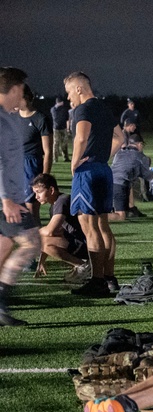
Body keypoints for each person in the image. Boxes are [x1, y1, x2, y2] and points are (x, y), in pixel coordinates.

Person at [64, 71, 124, 297]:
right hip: (103, 169)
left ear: (79, 89)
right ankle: (109, 277)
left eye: (70, 92)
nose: (69, 98)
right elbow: (120, 138)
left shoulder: (83, 108)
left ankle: (97, 280)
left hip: (87, 173)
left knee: (89, 226)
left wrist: (75, 163)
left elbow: (81, 137)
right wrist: (102, 156)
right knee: (102, 226)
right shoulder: (105, 108)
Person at [0, 67, 41, 326]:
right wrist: (7, 199)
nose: (22, 98)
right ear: (14, 89)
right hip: (4, 200)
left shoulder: (7, 118)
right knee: (32, 243)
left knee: (4, 246)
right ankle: (2, 304)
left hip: (8, 197)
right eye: (21, 91)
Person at [30, 174, 90, 282]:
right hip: (79, 242)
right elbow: (54, 233)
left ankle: (82, 265)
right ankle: (81, 264)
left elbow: (49, 231)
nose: (36, 197)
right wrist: (41, 261)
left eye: (39, 192)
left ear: (51, 190)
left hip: (84, 243)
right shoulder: (55, 205)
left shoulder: (62, 201)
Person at [16, 84, 52, 223]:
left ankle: (38, 244)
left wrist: (44, 178)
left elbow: (48, 152)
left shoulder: (40, 119)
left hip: (31, 166)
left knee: (31, 212)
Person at [109, 138, 153, 221]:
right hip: (120, 184)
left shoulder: (120, 152)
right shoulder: (140, 156)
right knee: (121, 216)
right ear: (139, 144)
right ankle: (93, 217)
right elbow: (146, 175)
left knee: (121, 211)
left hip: (109, 180)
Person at [50, 96, 71, 162]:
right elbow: (65, 119)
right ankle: (60, 158)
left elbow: (66, 119)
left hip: (59, 128)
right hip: (59, 128)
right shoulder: (58, 109)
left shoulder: (55, 109)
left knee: (60, 143)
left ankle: (60, 158)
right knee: (59, 143)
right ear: (60, 102)